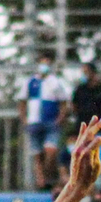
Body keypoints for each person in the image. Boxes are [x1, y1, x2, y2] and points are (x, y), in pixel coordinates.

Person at [18, 53, 70, 190]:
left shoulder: (55, 82)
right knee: (37, 154)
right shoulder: (30, 82)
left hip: (51, 121)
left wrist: (61, 117)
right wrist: (24, 119)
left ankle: (47, 176)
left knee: (51, 151)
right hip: (34, 121)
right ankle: (41, 182)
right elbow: (22, 101)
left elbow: (63, 101)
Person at [70, 62, 101, 130]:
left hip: (99, 125)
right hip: (83, 124)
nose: (84, 74)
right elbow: (74, 104)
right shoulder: (80, 89)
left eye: (86, 72)